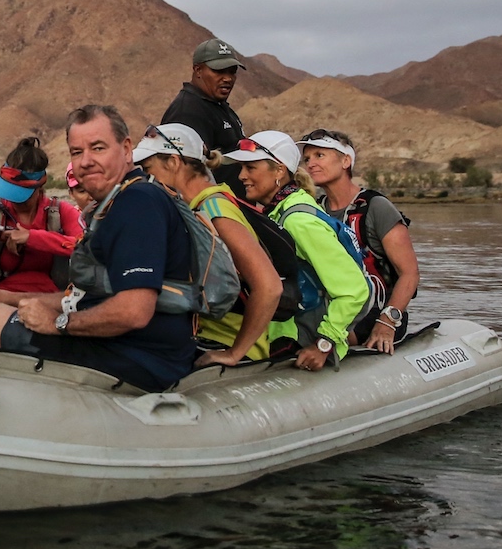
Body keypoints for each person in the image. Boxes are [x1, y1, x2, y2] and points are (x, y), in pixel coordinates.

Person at [0, 105, 198, 392]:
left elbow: (133, 311)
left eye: (98, 148)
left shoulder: (136, 203)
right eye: (77, 152)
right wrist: (5, 297)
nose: (86, 161)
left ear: (127, 149)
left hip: (133, 359)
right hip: (123, 346)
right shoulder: (117, 203)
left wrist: (58, 324)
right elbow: (83, 296)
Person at [131, 123, 281, 366]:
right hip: (205, 336)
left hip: (223, 342)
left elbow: (270, 287)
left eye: (149, 168)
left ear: (173, 162)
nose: (149, 178)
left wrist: (235, 353)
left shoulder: (214, 209)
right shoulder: (197, 207)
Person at [221, 131, 371, 371]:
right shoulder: (282, 208)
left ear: (279, 170)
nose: (242, 176)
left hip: (300, 341)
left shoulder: (298, 220)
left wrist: (324, 343)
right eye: (242, 168)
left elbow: (354, 290)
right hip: (283, 332)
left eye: (250, 168)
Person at [299, 129, 419, 353]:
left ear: (346, 161)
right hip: (330, 308)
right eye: (307, 159)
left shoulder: (375, 206)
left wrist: (387, 323)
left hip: (373, 313)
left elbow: (410, 273)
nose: (311, 164)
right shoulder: (313, 210)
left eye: (320, 155)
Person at [0, 136, 83, 301]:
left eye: (21, 195)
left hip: (49, 301)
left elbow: (85, 246)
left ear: (40, 185)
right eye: (10, 192)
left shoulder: (60, 212)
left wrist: (33, 237)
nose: (15, 201)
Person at [159, 37, 249, 191]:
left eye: (232, 72)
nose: (228, 78)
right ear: (198, 70)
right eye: (219, 71)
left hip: (231, 209)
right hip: (211, 211)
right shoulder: (188, 112)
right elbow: (183, 176)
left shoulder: (217, 106)